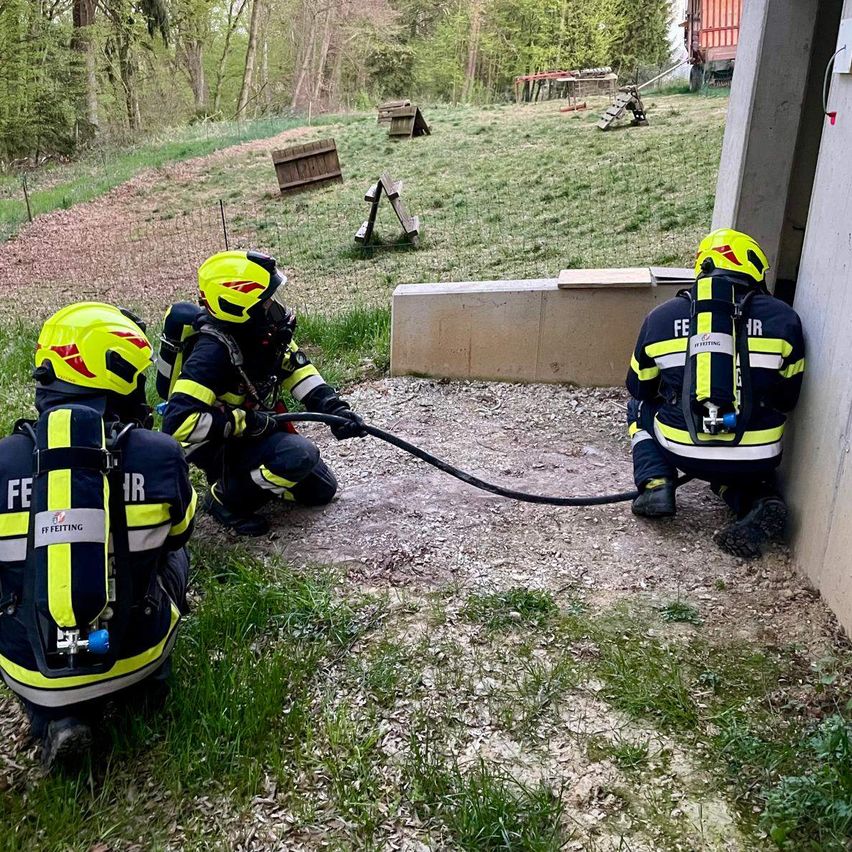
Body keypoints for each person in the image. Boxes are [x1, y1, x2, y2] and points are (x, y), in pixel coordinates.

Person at [0, 303, 196, 770]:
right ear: (116, 372)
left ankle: (58, 717)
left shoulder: (3, 461)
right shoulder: (160, 452)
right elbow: (181, 532)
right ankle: (145, 691)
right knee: (176, 556)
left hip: (31, 673)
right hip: (136, 656)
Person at [626, 228, 805, 558]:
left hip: (683, 449)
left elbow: (640, 387)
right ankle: (756, 499)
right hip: (758, 454)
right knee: (734, 468)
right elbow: (787, 399)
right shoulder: (785, 319)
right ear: (752, 267)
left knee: (637, 406)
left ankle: (655, 485)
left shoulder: (661, 317)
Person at [161, 250, 365, 536]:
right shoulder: (212, 354)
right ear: (237, 307)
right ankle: (225, 499)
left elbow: (299, 372)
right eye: (267, 302)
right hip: (216, 441)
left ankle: (255, 480)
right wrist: (245, 422)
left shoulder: (263, 334)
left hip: (251, 429)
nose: (276, 308)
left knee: (321, 490)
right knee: (298, 456)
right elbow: (178, 423)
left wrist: (334, 409)